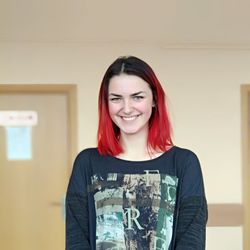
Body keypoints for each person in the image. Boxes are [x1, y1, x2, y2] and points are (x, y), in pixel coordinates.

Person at [66, 56, 208, 250]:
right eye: (116, 98)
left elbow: (191, 240)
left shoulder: (184, 163)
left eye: (137, 97)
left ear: (155, 100)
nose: (126, 108)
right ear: (106, 104)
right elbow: (76, 240)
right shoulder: (87, 163)